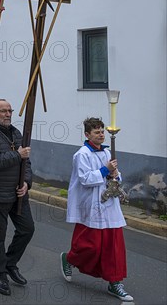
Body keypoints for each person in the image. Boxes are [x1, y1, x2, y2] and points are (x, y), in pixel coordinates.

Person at [60, 117, 133, 301]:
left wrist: (116, 175)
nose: (101, 135)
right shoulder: (82, 154)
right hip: (91, 204)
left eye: (102, 131)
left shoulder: (108, 153)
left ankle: (115, 282)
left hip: (110, 205)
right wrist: (105, 170)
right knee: (90, 246)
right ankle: (69, 258)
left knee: (113, 246)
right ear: (87, 134)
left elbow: (115, 175)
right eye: (97, 132)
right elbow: (85, 179)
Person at [0, 99, 34, 296]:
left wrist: (26, 183)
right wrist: (17, 155)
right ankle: (0, 274)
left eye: (10, 110)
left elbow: (27, 164)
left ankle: (10, 263)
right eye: (3, 111)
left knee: (27, 229)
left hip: (18, 194)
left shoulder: (17, 133)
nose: (8, 114)